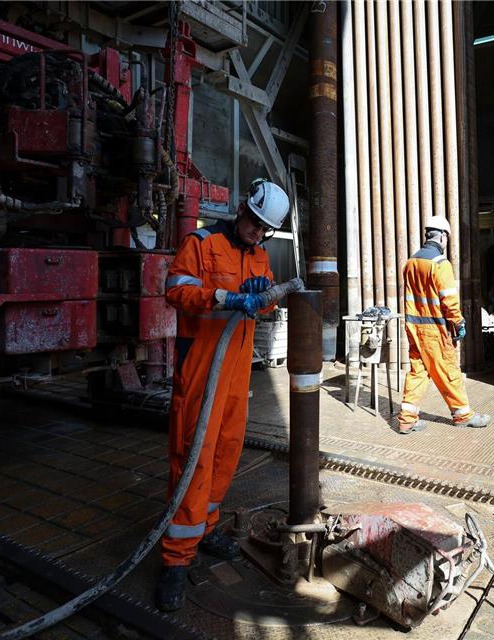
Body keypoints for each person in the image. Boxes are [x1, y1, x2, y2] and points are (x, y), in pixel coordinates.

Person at [156, 178, 290, 610]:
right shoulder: (202, 243)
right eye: (254, 222)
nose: (257, 231)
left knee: (225, 453)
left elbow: (267, 298)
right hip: (201, 370)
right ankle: (176, 559)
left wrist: (260, 297)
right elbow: (175, 291)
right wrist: (222, 296)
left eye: (264, 228)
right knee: (193, 456)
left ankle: (206, 527)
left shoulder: (259, 254)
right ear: (243, 209)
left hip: (235, 373)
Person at [395, 216, 492, 434]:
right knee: (448, 370)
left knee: (418, 372)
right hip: (434, 330)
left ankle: (407, 420)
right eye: (447, 237)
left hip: (413, 328)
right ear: (442, 236)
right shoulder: (440, 264)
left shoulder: (410, 263)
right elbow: (449, 300)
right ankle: (463, 415)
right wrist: (458, 323)